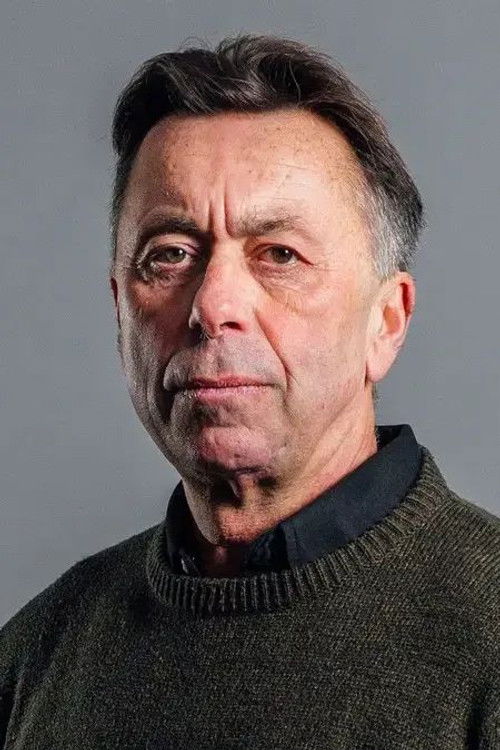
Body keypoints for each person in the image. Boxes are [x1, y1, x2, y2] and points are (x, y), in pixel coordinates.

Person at [1, 32, 499, 749]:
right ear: (119, 309)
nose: (213, 305)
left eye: (280, 254)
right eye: (170, 255)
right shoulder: (35, 657)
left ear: (386, 322)